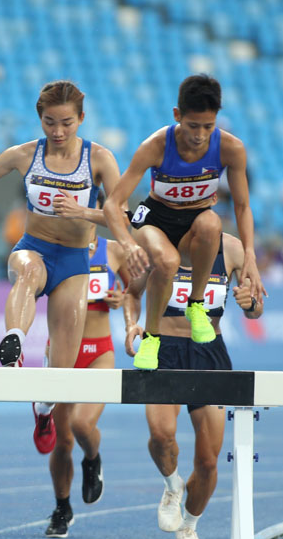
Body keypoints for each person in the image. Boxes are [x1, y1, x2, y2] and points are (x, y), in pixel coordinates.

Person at [0, 80, 121, 537]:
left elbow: (122, 217)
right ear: (39, 120)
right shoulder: (24, 155)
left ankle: (46, 408)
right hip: (35, 249)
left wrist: (83, 213)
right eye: (50, 122)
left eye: (67, 123)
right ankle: (15, 340)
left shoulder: (99, 160)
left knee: (61, 388)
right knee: (24, 271)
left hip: (75, 265)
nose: (59, 131)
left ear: (81, 119)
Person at [102, 73, 263, 371]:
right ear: (177, 115)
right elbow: (113, 204)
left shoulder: (231, 149)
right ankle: (152, 338)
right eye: (192, 126)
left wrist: (250, 253)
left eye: (208, 126)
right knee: (166, 261)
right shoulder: (155, 146)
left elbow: (242, 206)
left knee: (212, 223)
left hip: (195, 222)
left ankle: (196, 304)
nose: (200, 135)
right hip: (156, 220)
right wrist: (128, 243)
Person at [124, 232, 263, 539]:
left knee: (208, 462)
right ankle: (172, 486)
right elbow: (132, 294)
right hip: (162, 348)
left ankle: (189, 526)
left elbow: (256, 309)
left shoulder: (230, 249)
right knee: (161, 435)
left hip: (208, 352)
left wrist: (250, 304)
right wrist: (130, 324)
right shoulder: (158, 244)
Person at [32, 218, 128, 537]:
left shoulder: (113, 251)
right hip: (62, 353)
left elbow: (136, 292)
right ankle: (62, 508)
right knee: (63, 441)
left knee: (82, 424)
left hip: (99, 351)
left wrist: (123, 299)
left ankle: (92, 459)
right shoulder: (53, 251)